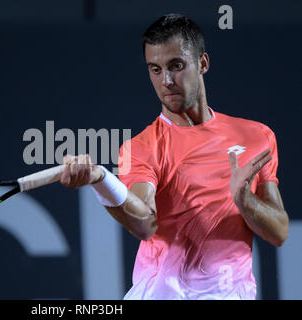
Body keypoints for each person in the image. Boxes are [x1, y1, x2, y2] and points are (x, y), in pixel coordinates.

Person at [59, 14, 289, 300]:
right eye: (155, 70)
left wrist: (244, 199)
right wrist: (101, 178)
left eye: (176, 66)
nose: (166, 81)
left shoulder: (257, 136)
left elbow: (279, 231)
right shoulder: (142, 146)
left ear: (203, 63)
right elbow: (144, 222)